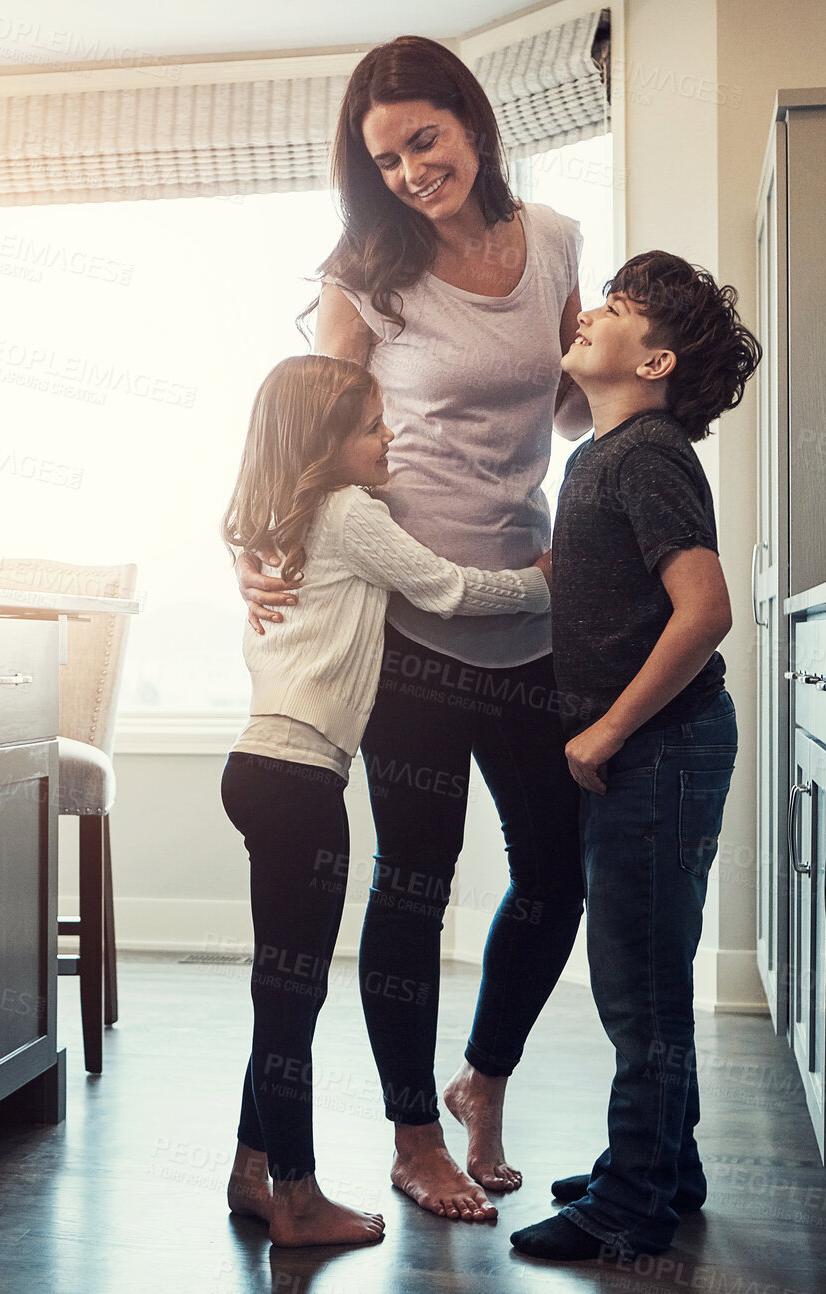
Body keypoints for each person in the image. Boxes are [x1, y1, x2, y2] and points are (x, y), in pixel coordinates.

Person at [238, 33, 592, 1224]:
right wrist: (258, 546)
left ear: (473, 122)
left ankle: (483, 1077)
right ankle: (412, 1133)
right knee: (416, 882)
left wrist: (657, 384)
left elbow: (572, 389)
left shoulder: (551, 241)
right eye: (383, 158)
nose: (407, 172)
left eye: (422, 141)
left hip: (529, 605)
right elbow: (302, 424)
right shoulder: (367, 275)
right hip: (412, 630)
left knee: (554, 871)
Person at [220, 354, 553, 1247]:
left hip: (262, 768)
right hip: (297, 780)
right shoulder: (350, 512)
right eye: (371, 425)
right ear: (326, 443)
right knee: (290, 999)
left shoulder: (277, 516)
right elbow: (446, 587)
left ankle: (251, 1171)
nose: (388, 436)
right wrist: (544, 582)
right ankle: (294, 1197)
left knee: (281, 992)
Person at [508, 250, 762, 1263]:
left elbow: (706, 610)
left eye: (612, 309)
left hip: (660, 750)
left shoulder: (647, 450)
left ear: (653, 359)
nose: (587, 315)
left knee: (636, 982)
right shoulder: (603, 455)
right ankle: (665, 1161)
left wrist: (607, 730)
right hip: (656, 753)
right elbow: (630, 584)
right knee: (645, 966)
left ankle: (635, 1200)